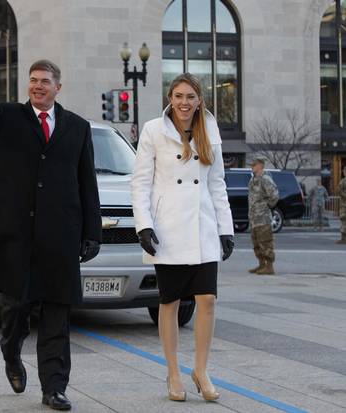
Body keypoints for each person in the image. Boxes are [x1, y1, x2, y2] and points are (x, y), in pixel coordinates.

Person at [0, 33, 101, 411]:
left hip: (59, 237)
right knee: (16, 308)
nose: (37, 86)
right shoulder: (7, 117)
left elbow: (87, 183)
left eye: (44, 81)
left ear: (57, 88)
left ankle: (54, 388)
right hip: (16, 234)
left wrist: (92, 232)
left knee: (56, 314)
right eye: (33, 81)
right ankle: (11, 351)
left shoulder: (78, 128)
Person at [131, 73, 234, 403]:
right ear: (169, 98)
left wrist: (226, 229)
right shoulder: (153, 130)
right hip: (169, 228)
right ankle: (173, 372)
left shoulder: (210, 129)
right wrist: (143, 225)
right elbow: (141, 183)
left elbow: (216, 184)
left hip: (203, 227)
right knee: (170, 302)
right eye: (178, 96)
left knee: (207, 300)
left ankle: (201, 370)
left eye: (190, 96)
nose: (184, 102)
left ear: (199, 99)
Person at [247, 158, 279, 275]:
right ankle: (261, 265)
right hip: (254, 217)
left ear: (260, 165)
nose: (252, 166)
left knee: (265, 242)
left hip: (263, 217)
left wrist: (266, 206)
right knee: (256, 242)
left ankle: (269, 266)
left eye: (254, 165)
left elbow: (274, 195)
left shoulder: (266, 179)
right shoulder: (253, 180)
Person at [338, 166, 346, 244]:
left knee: (343, 221)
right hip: (344, 204)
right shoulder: (343, 181)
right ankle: (343, 238)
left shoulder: (343, 181)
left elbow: (339, 191)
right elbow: (340, 191)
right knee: (343, 220)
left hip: (344, 204)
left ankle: (343, 239)